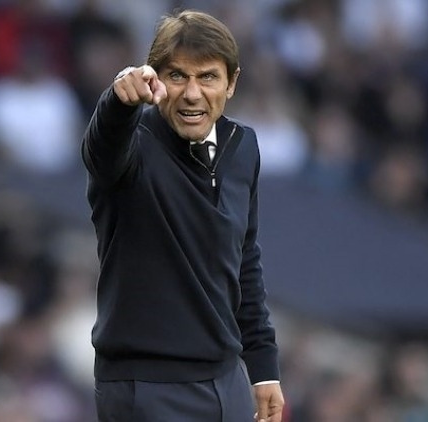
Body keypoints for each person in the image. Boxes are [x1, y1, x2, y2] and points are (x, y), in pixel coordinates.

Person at [81, 9, 284, 422]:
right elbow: (100, 150)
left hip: (227, 381)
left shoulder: (243, 146)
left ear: (231, 83)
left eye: (208, 77)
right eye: (177, 76)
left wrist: (263, 368)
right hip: (146, 387)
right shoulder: (132, 142)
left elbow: (244, 261)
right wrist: (117, 102)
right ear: (155, 80)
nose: (192, 93)